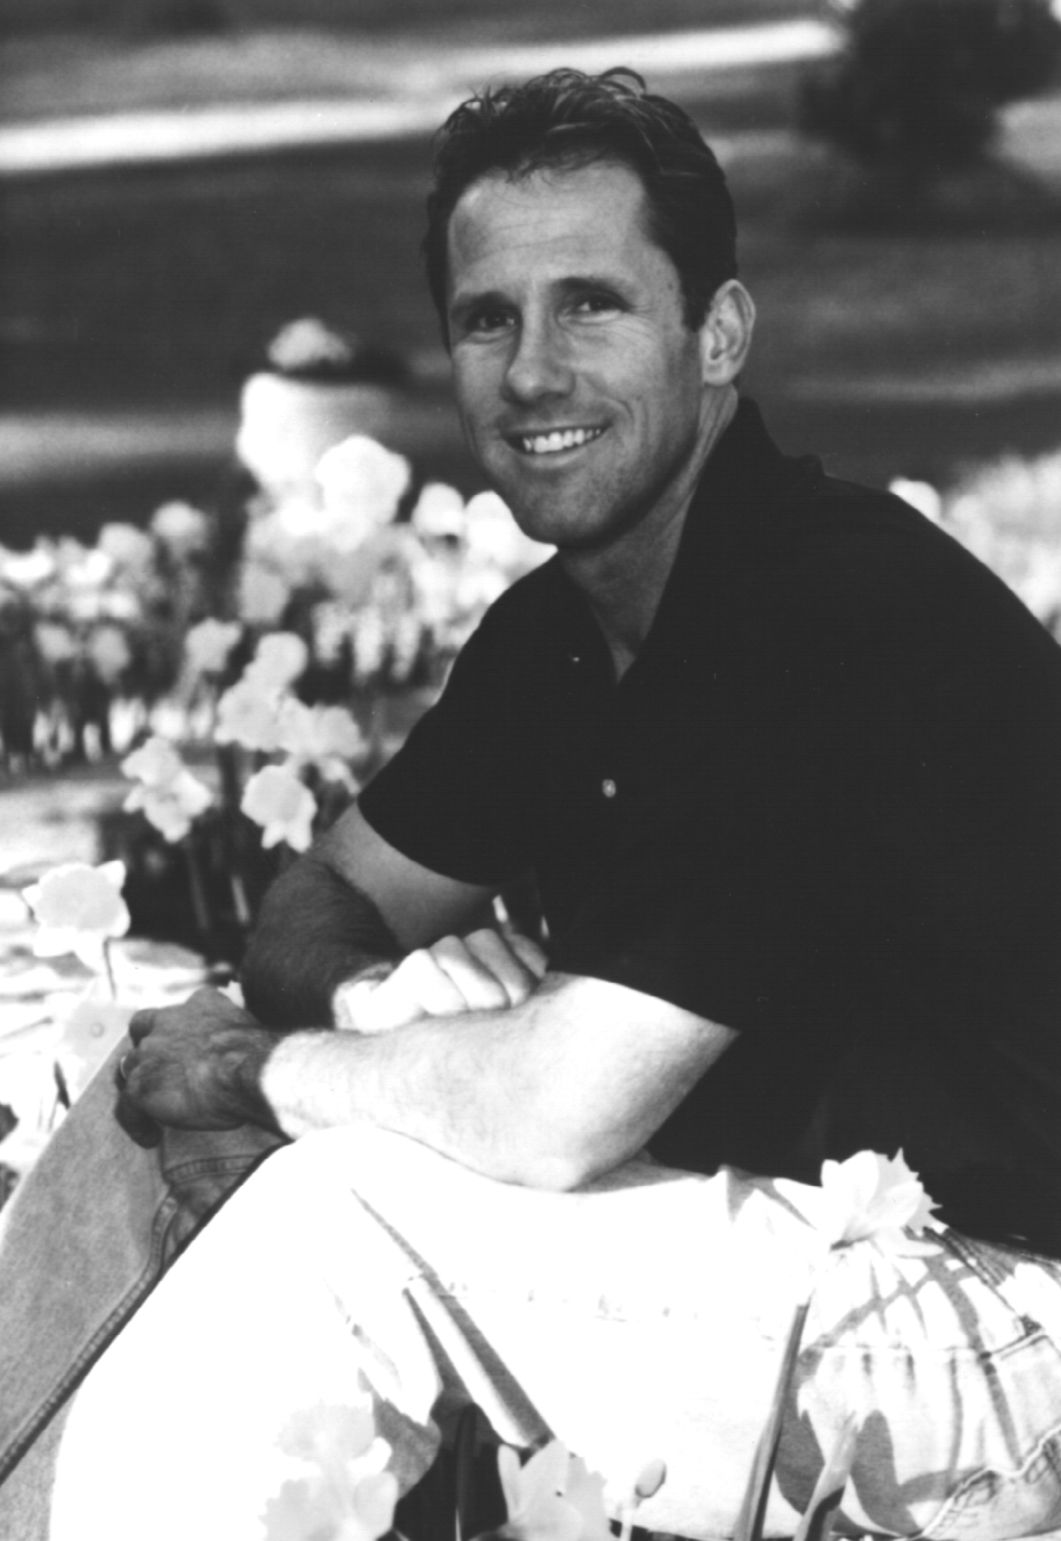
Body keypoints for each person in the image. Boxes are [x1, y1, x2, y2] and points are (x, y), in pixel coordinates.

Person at [5, 66, 1061, 1541]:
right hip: (776, 1244)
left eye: (592, 306)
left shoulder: (819, 613)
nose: (532, 372)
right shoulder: (562, 631)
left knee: (339, 1220)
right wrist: (370, 1004)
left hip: (989, 1311)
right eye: (487, 318)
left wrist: (278, 1070)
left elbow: (559, 1111)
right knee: (158, 1084)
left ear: (718, 335)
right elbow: (316, 901)